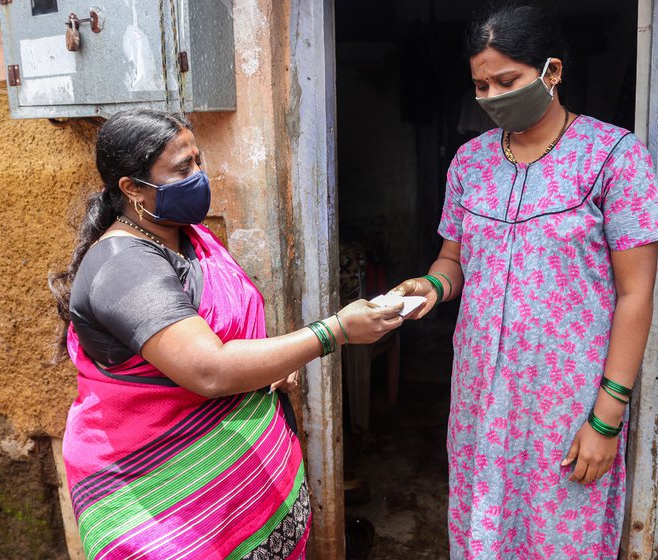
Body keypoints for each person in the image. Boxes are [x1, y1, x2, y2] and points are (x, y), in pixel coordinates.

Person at [49, 109, 403, 560]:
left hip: (238, 496)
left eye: (198, 160)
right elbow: (209, 369)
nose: (199, 175)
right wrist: (335, 331)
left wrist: (270, 366)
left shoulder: (188, 238)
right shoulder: (123, 265)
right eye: (182, 169)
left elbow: (228, 334)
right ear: (131, 188)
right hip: (162, 503)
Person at [391, 3, 658, 558]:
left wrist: (608, 414)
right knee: (483, 524)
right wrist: (431, 286)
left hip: (566, 399)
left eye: (507, 80)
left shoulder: (614, 158)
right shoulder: (470, 163)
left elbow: (636, 293)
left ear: (553, 71)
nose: (493, 96)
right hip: (480, 392)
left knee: (561, 529)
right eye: (480, 85)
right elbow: (453, 261)